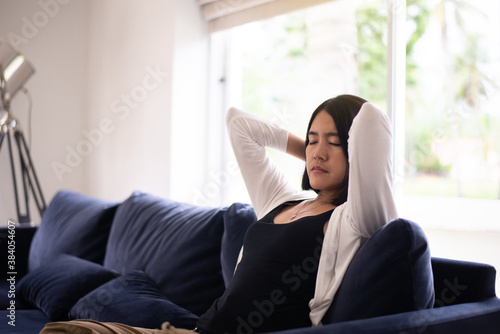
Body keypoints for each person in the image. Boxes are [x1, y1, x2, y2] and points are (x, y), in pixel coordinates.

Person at [40, 94, 397, 334]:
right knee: (61, 331)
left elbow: (372, 122)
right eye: (312, 139)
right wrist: (312, 151)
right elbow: (238, 123)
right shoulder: (281, 200)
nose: (318, 152)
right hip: (194, 330)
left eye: (334, 142)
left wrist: (335, 134)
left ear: (354, 149)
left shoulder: (353, 218)